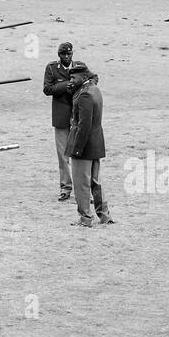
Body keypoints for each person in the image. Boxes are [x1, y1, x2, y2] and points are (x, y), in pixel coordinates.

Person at [66, 67, 113, 228]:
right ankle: (104, 215)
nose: (71, 80)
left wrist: (77, 149)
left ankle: (85, 218)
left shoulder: (85, 93)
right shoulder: (94, 89)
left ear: (83, 77)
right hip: (95, 144)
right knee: (95, 181)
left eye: (74, 77)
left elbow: (83, 125)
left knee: (81, 183)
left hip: (84, 146)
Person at [43, 41, 75, 202]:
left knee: (80, 155)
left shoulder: (79, 67)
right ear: (59, 55)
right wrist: (66, 85)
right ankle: (65, 187)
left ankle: (84, 189)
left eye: (69, 54)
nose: (67, 57)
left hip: (77, 117)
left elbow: (93, 80)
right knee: (63, 156)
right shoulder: (51, 68)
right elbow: (47, 89)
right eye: (64, 54)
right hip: (61, 117)